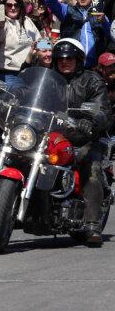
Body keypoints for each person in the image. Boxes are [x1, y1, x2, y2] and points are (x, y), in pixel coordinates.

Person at [51, 39, 110, 246]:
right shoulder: (50, 79)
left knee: (91, 166)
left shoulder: (91, 80)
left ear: (78, 60)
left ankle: (92, 223)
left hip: (84, 138)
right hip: (52, 135)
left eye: (69, 58)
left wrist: (91, 121)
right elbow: (29, 94)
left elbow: (102, 109)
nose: (64, 61)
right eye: (60, 58)